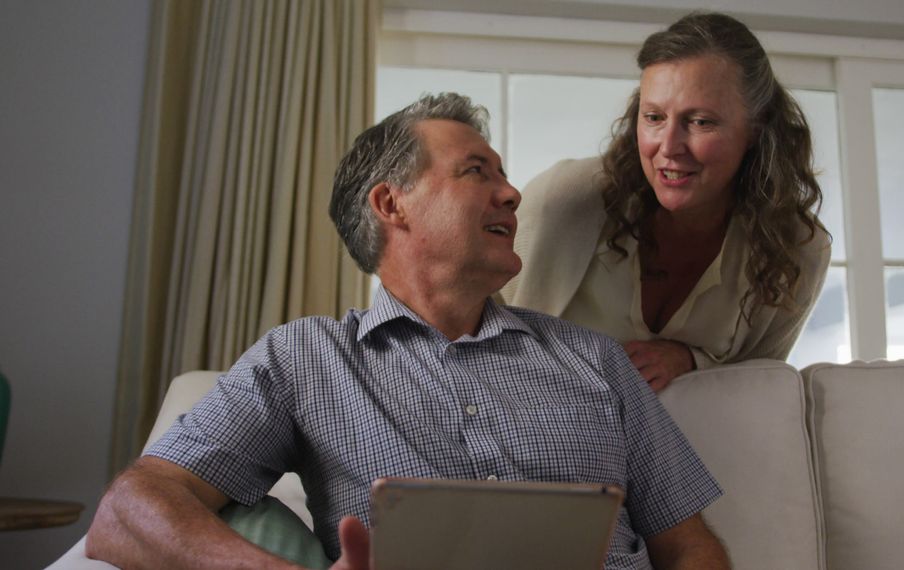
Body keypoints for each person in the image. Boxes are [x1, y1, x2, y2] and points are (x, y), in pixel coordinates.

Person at [85, 93, 731, 570]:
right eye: (477, 171)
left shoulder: (593, 357)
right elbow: (129, 510)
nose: (511, 194)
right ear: (392, 204)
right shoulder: (304, 359)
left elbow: (691, 543)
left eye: (504, 176)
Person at [502, 12, 832, 392]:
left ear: (756, 129)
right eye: (654, 117)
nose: (669, 148)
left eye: (701, 122)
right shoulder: (564, 200)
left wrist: (690, 360)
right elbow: (476, 325)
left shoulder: (797, 248)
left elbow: (762, 391)